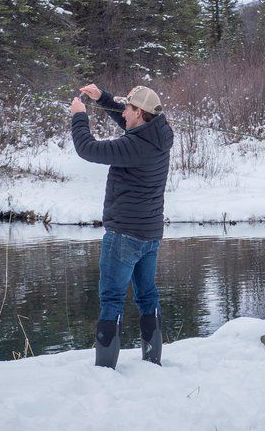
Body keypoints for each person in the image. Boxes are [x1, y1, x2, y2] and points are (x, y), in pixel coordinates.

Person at [69, 83, 173, 368]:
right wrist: (101, 98)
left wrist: (79, 116)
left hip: (124, 235)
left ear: (140, 112)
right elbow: (130, 124)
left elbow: (87, 149)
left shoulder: (133, 147)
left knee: (111, 299)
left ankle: (104, 371)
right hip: (149, 235)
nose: (123, 112)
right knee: (147, 296)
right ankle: (152, 362)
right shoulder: (160, 134)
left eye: (128, 107)